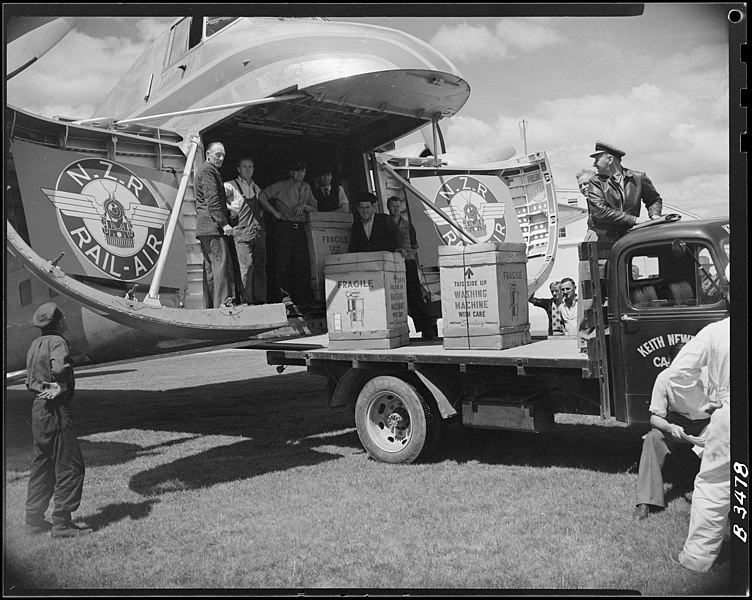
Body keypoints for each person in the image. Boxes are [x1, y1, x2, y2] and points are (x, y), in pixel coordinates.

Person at [674, 263, 730, 573]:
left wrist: (702, 405)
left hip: (729, 413)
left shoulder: (715, 332)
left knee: (714, 484)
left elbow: (679, 374)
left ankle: (697, 559)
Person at [24, 303, 92, 538]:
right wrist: (62, 385)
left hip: (38, 409)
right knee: (70, 465)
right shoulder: (57, 341)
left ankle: (33, 519)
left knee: (43, 466)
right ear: (60, 322)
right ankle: (62, 522)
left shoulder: (35, 344)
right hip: (55, 408)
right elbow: (60, 368)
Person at [632, 343, 710, 521]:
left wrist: (711, 429)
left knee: (725, 442)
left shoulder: (709, 377)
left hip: (707, 423)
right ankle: (646, 502)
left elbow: (724, 411)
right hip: (677, 423)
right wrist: (670, 427)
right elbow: (654, 417)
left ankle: (727, 501)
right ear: (670, 363)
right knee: (653, 438)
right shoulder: (664, 378)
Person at [257, 160, 318, 315]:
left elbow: (315, 207)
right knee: (283, 263)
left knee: (301, 264)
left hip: (299, 229)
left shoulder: (306, 187)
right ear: (291, 172)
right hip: (284, 227)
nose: (300, 174)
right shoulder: (281, 185)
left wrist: (304, 206)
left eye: (303, 171)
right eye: (297, 171)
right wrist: (275, 213)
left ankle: (302, 299)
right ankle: (284, 297)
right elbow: (262, 195)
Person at [585, 141, 663, 242]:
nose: (594, 164)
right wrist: (634, 220)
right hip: (604, 240)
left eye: (597, 160)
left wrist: (655, 215)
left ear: (609, 159)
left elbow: (654, 200)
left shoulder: (639, 178)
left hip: (630, 237)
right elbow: (600, 212)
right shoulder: (596, 182)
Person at [386, 195, 437, 339]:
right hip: (391, 263)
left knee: (415, 296)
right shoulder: (385, 223)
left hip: (408, 262)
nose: (396, 209)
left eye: (398, 206)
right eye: (393, 206)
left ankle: (425, 328)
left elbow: (415, 246)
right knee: (395, 296)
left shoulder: (408, 225)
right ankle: (401, 329)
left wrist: (407, 253)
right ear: (388, 207)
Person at [195, 141, 236, 309]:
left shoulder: (206, 170)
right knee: (222, 265)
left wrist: (226, 209)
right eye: (217, 154)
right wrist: (224, 223)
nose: (221, 158)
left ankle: (212, 307)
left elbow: (208, 199)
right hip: (212, 226)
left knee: (211, 269)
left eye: (223, 155)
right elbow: (212, 199)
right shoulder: (208, 171)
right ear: (208, 155)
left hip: (204, 227)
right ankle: (224, 305)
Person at [224, 157, 266, 304]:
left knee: (260, 268)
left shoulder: (256, 187)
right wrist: (229, 211)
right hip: (241, 233)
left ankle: (261, 301)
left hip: (257, 232)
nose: (248, 169)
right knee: (246, 267)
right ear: (238, 169)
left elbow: (264, 202)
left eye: (251, 167)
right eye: (245, 167)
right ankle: (246, 302)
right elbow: (216, 198)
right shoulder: (230, 186)